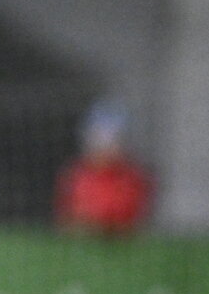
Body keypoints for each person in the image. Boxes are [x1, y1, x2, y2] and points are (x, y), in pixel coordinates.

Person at [54, 100, 152, 235]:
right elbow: (67, 215)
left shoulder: (131, 178)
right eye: (99, 139)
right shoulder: (76, 176)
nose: (104, 147)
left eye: (112, 140)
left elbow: (129, 217)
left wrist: (101, 224)